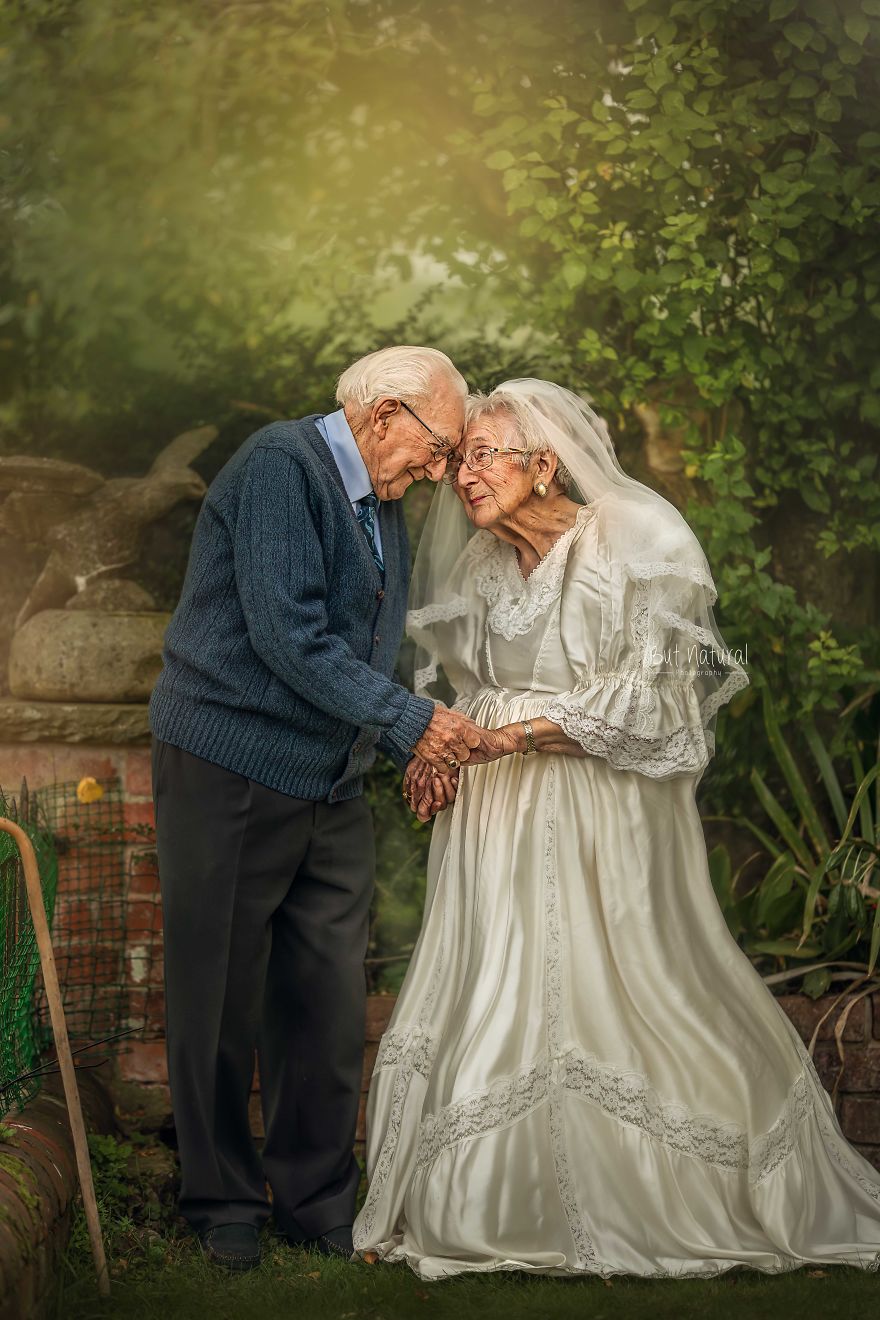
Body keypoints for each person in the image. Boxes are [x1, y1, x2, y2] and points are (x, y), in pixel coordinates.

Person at [353, 378, 880, 1279]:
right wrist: (435, 751)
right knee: (502, 981)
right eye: (461, 459)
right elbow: (470, 687)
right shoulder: (481, 568)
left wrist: (505, 736)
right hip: (498, 821)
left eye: (481, 456)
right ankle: (488, 1193)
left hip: (604, 811)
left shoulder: (640, 539)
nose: (461, 477)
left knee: (635, 985)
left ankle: (673, 1185)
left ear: (543, 463)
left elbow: (657, 700)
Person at [149, 346, 498, 1271]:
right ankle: (220, 1197)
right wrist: (410, 724)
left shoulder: (383, 501)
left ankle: (315, 1200)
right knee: (216, 990)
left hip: (328, 782)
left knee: (327, 1002)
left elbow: (368, 646)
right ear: (383, 416)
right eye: (437, 446)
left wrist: (391, 736)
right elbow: (288, 637)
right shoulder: (279, 467)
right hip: (229, 761)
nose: (442, 470)